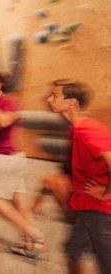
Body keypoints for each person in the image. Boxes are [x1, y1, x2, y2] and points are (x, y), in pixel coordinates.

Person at [0, 71, 46, 259]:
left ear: (0, 84)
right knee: (20, 204)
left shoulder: (10, 102)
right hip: (10, 158)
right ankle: (30, 246)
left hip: (8, 158)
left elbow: (2, 122)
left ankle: (36, 235)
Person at [47, 79, 111, 274]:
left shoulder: (86, 130)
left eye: (55, 96)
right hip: (86, 207)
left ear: (71, 102)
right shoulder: (76, 127)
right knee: (73, 252)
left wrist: (107, 193)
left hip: (100, 211)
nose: (49, 99)